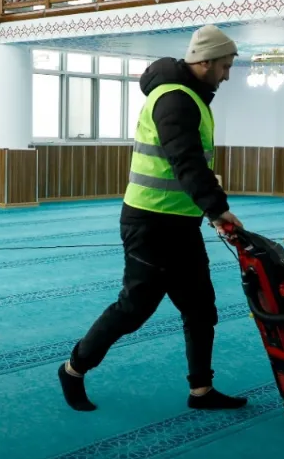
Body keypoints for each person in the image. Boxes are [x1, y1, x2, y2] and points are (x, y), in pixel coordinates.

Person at [59, 24, 247, 412]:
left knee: (200, 308)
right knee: (134, 309)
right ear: (206, 61)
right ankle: (73, 369)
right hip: (150, 224)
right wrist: (217, 209)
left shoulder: (191, 96)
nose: (227, 75)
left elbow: (192, 163)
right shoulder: (175, 99)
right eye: (225, 66)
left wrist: (207, 212)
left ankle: (201, 391)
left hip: (180, 224)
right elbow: (186, 160)